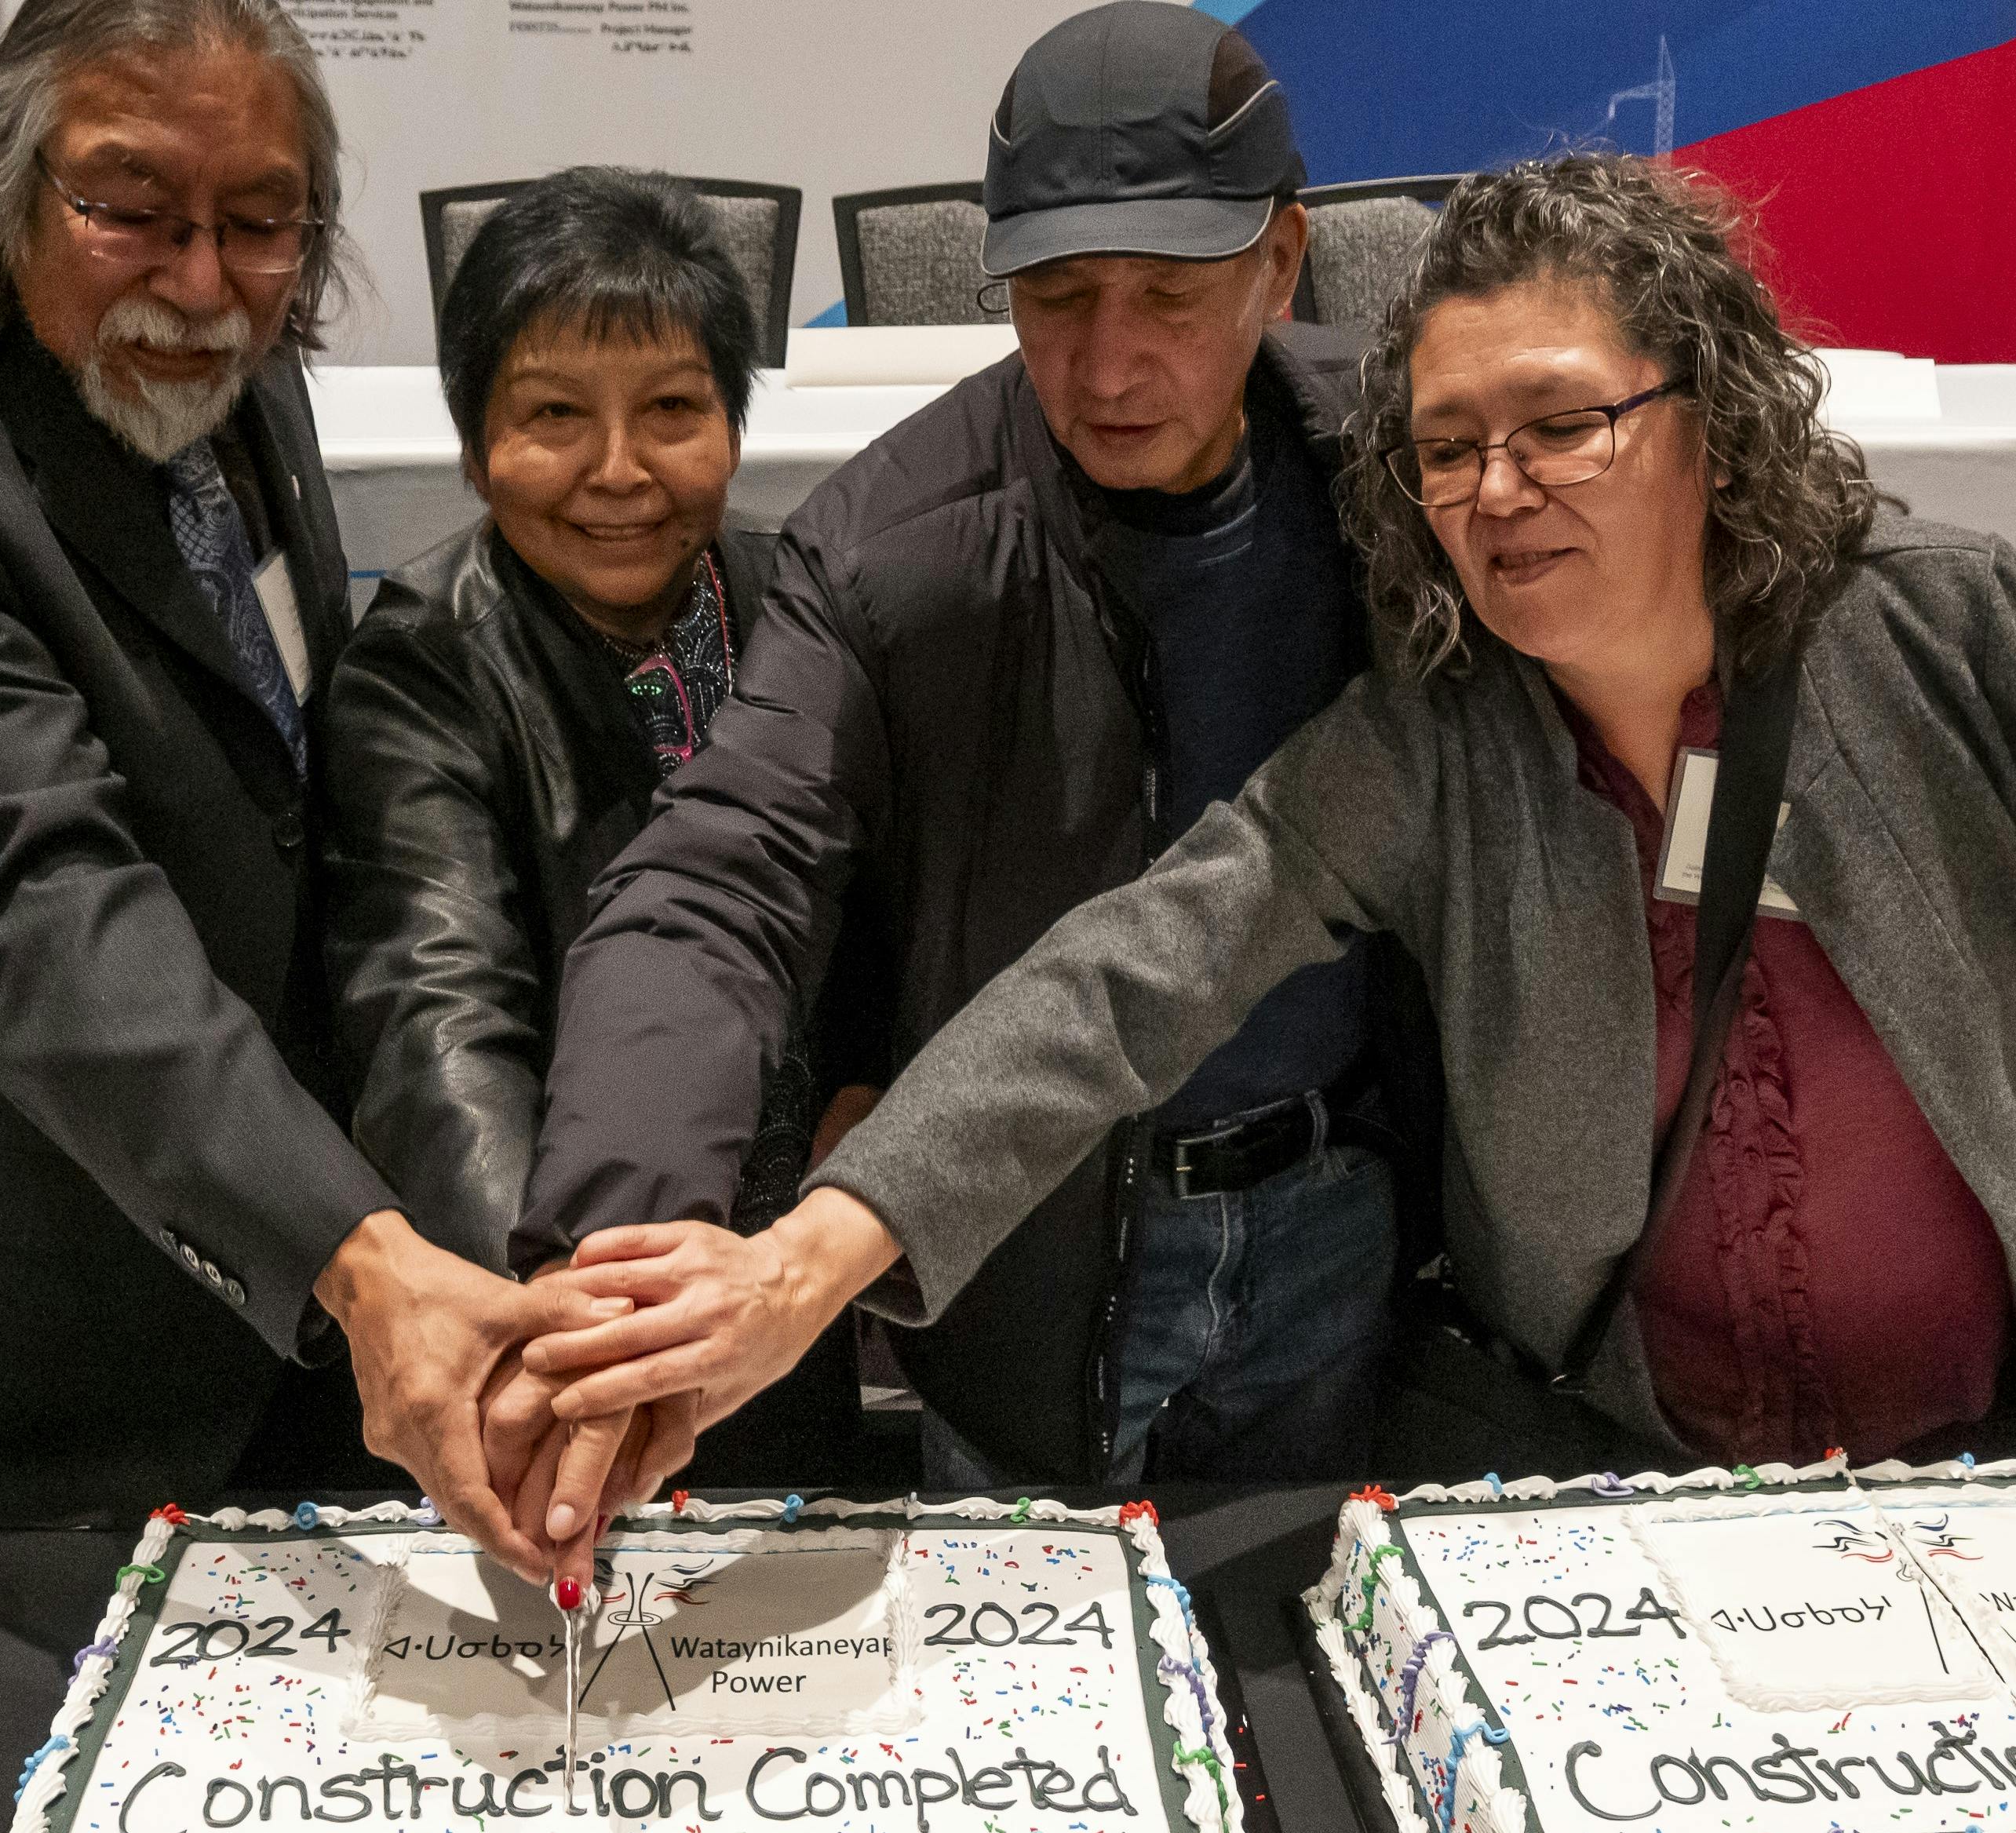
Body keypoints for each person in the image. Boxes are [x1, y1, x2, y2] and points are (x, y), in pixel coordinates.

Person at [519, 154, 2016, 1511]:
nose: (1499, 490)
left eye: (1562, 424)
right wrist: (804, 1261)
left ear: (1705, 414)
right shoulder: (1435, 745)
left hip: (1985, 1437)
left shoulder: (1941, 626)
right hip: (1622, 1456)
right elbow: (1125, 976)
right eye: (1447, 448)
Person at [505, 0, 1439, 1518]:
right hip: (1028, 1233)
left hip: (1343, 1202)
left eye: (1169, 293)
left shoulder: (1399, 471)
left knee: (1305, 1614)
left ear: (1281, 262)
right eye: (1056, 296)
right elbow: (716, 879)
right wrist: (609, 1257)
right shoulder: (893, 546)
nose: (1108, 362)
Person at [0, 0, 603, 1561]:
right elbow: (46, 919)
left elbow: (295, 785)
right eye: (130, 209)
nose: (200, 284)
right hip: (47, 1363)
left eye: (260, 223)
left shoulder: (240, 369)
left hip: (314, 1311)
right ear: (3, 191)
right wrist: (356, 1253)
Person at [322, 168, 869, 1491]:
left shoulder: (798, 605)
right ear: (474, 445)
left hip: (777, 1290)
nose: (618, 472)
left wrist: (866, 1092)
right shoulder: (423, 661)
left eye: (672, 409)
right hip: (553, 1298)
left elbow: (883, 900)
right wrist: (568, 1317)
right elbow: (437, 1011)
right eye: (554, 415)